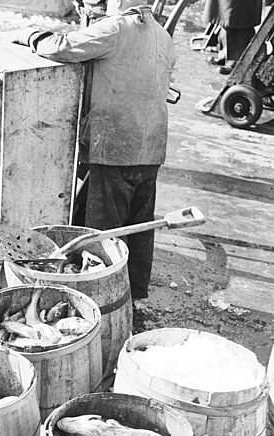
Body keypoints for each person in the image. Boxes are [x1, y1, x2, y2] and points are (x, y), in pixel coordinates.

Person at [16, 0, 176, 306]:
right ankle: (135, 295)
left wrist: (31, 35)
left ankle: (98, 302)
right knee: (138, 224)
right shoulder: (163, 36)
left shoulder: (115, 29)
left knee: (103, 232)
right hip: (151, 149)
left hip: (115, 149)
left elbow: (59, 46)